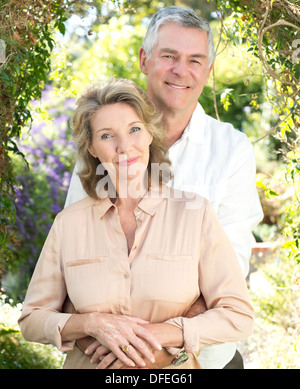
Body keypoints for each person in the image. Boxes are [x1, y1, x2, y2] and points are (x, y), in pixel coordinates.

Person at [65, 6, 263, 369]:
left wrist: (160, 336)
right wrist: (111, 334)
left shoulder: (232, 151)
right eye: (169, 56)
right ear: (144, 59)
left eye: (195, 60)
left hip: (206, 359)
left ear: (208, 70)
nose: (181, 71)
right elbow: (74, 253)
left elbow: (231, 266)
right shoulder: (100, 144)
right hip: (109, 361)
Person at [18, 78, 254, 369]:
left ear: (150, 134)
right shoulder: (69, 223)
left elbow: (238, 315)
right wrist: (92, 324)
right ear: (91, 147)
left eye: (134, 130)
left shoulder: (196, 214)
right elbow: (31, 319)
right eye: (107, 136)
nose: (124, 147)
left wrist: (162, 337)